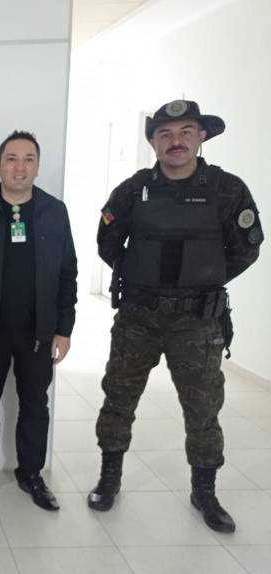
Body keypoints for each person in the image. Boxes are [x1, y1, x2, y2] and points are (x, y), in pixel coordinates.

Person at [88, 100, 263, 532]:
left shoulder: (227, 190)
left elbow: (246, 248)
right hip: (138, 317)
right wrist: (141, 275)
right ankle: (109, 478)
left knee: (203, 408)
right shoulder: (134, 190)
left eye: (186, 131)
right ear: (153, 142)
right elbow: (107, 241)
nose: (176, 141)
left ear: (202, 136)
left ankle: (204, 491)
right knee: (119, 399)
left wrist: (203, 278)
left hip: (198, 322)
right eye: (165, 134)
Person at [0, 131, 77, 511]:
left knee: (35, 404)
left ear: (38, 167)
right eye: (11, 158)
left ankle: (31, 473)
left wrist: (64, 328)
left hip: (38, 332)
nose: (19, 166)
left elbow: (67, 274)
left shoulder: (55, 211)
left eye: (28, 159)